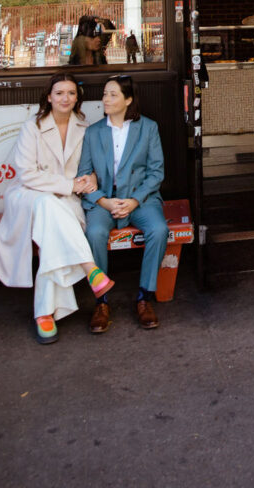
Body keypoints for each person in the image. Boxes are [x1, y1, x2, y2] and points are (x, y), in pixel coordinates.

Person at [0, 73, 114, 344]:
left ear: (78, 98)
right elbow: (27, 175)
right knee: (45, 204)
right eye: (60, 92)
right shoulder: (33, 127)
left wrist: (90, 180)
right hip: (29, 197)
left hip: (65, 202)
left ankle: (44, 314)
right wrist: (69, 184)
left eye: (71, 93)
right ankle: (91, 269)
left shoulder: (84, 127)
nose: (65, 98)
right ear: (49, 96)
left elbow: (91, 168)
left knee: (50, 230)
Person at [78, 74, 168, 333]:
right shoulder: (93, 132)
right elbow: (84, 175)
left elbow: (156, 172)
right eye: (105, 93)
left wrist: (134, 200)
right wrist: (103, 202)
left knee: (159, 230)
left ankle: (145, 298)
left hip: (141, 199)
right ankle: (101, 301)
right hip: (104, 200)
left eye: (113, 94)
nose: (106, 99)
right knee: (94, 232)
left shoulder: (148, 128)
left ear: (128, 100)